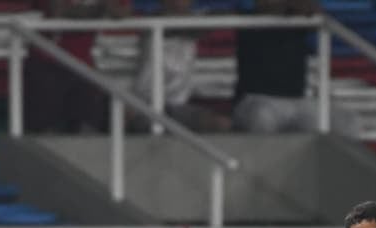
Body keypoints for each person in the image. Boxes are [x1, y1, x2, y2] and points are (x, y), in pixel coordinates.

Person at [231, 0, 360, 135]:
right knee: (262, 116)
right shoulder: (247, 19)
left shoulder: (298, 17)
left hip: (296, 101)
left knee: (347, 120)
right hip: (256, 99)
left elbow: (315, 10)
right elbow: (266, 6)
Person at [25, 0, 129, 133]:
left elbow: (122, 13)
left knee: (88, 127)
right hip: (48, 61)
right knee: (46, 132)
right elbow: (59, 11)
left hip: (83, 65)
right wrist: (100, 8)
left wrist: (97, 8)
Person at [130, 0, 230, 133]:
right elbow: (180, 28)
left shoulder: (194, 21)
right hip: (146, 105)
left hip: (179, 106)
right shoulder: (151, 22)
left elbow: (223, 14)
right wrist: (200, 23)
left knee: (222, 124)